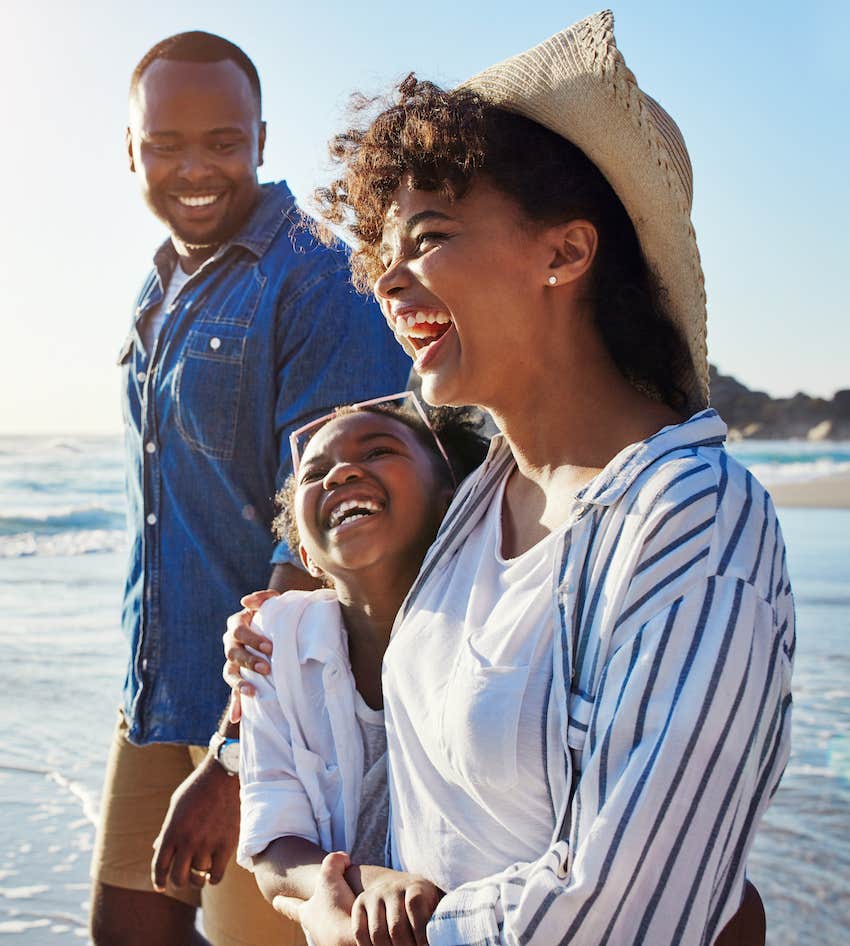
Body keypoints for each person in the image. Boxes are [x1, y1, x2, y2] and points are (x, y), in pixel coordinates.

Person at [224, 12, 793, 946]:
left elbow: (629, 911)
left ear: (566, 253)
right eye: (383, 254)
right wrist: (280, 638)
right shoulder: (477, 497)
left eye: (429, 237)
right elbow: (416, 755)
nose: (388, 283)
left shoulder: (692, 521)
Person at [90, 30, 409, 946]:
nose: (194, 168)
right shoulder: (160, 286)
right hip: (156, 693)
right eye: (165, 145)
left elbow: (329, 534)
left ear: (262, 140)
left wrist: (234, 755)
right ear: (132, 150)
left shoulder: (315, 279)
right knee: (125, 934)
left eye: (222, 143)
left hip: (272, 716)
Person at [237, 395, 488, 946]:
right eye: (315, 473)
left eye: (378, 451)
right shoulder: (269, 643)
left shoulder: (496, 631)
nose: (342, 473)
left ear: (451, 499)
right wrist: (356, 883)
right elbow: (273, 843)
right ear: (303, 552)